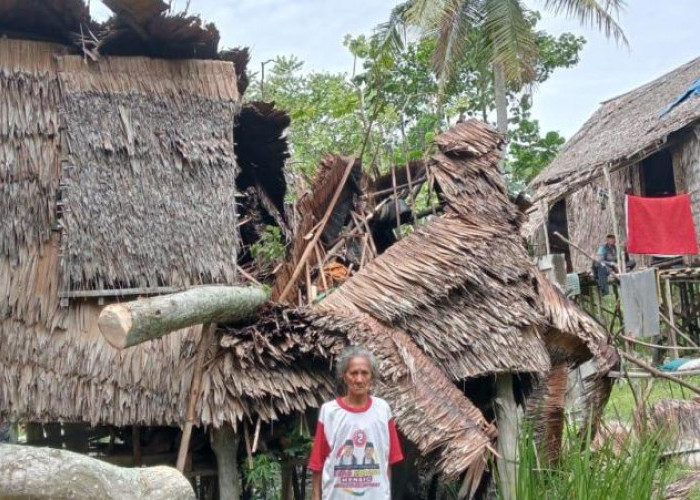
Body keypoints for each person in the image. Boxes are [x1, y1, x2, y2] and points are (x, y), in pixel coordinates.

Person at [309, 346, 403, 500]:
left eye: (364, 373)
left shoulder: (383, 410)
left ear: (372, 377)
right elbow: (317, 463)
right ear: (344, 376)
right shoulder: (329, 412)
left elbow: (387, 462)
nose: (359, 379)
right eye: (353, 373)